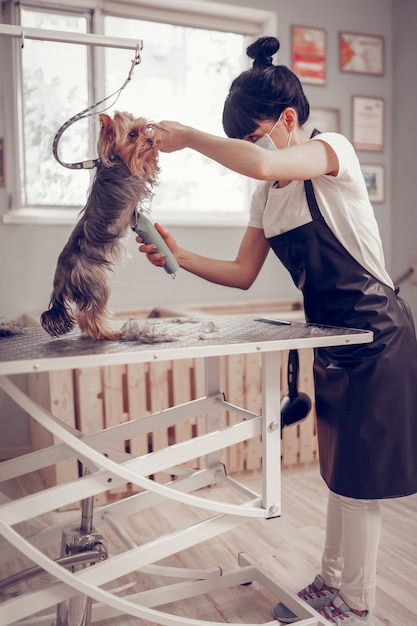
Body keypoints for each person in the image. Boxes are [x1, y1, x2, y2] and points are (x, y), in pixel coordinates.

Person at [137, 36, 417, 625]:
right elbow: (242, 274)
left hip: (376, 337)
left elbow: (264, 160)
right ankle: (332, 582)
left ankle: (356, 601)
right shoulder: (268, 194)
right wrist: (178, 253)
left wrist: (187, 137)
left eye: (254, 135)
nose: (250, 152)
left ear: (289, 119)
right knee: (340, 473)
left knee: (360, 482)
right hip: (330, 339)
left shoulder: (330, 152)